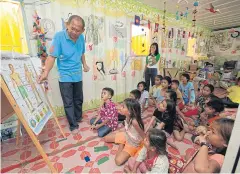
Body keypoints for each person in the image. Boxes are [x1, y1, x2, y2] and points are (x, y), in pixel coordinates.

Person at [38, 15, 90, 132]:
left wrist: (84, 64)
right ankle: (73, 125)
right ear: (67, 25)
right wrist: (46, 72)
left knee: (78, 99)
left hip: (77, 74)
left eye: (78, 30)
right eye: (72, 28)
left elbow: (82, 53)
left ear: (82, 30)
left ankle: (78, 117)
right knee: (68, 102)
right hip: (65, 76)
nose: (75, 32)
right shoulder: (59, 37)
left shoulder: (81, 37)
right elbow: (52, 57)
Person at [104, 98, 145, 166]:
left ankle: (121, 144)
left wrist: (145, 149)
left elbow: (144, 136)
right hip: (126, 135)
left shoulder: (135, 122)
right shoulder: (127, 116)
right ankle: (122, 141)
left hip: (133, 143)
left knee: (118, 161)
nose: (120, 107)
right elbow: (118, 108)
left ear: (130, 111)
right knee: (106, 138)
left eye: (123, 106)